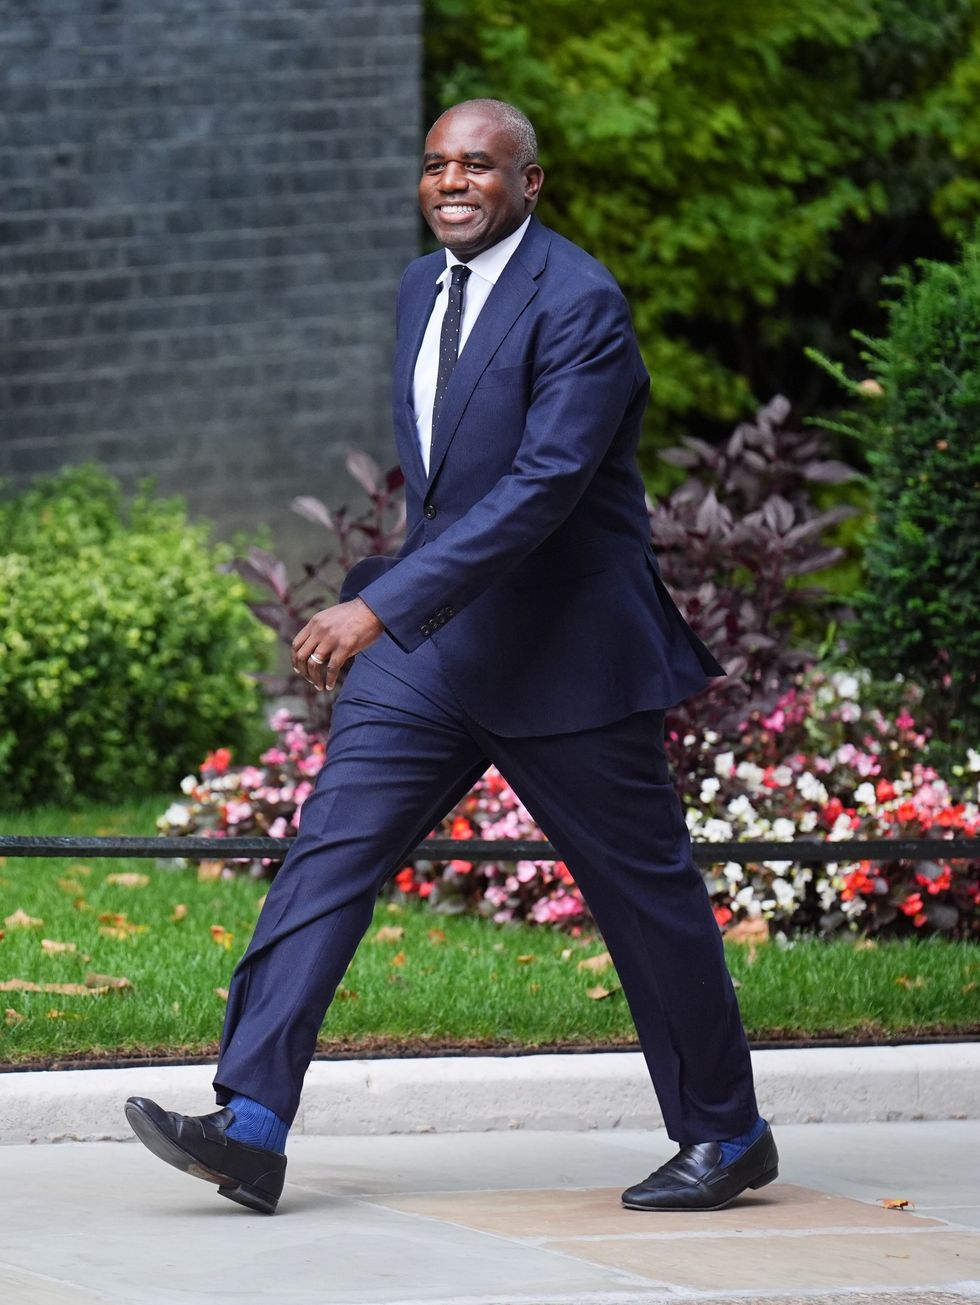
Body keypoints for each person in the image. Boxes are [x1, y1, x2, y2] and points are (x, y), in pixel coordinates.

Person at [125, 99, 778, 1216]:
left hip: (567, 653)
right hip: (434, 652)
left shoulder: (580, 303)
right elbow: (444, 482)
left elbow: (538, 490)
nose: (452, 181)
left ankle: (726, 1135)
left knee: (642, 899)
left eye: (478, 164)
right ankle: (251, 1124)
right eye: (435, 164)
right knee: (327, 856)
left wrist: (377, 609)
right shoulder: (420, 286)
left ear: (532, 182)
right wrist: (403, 610)